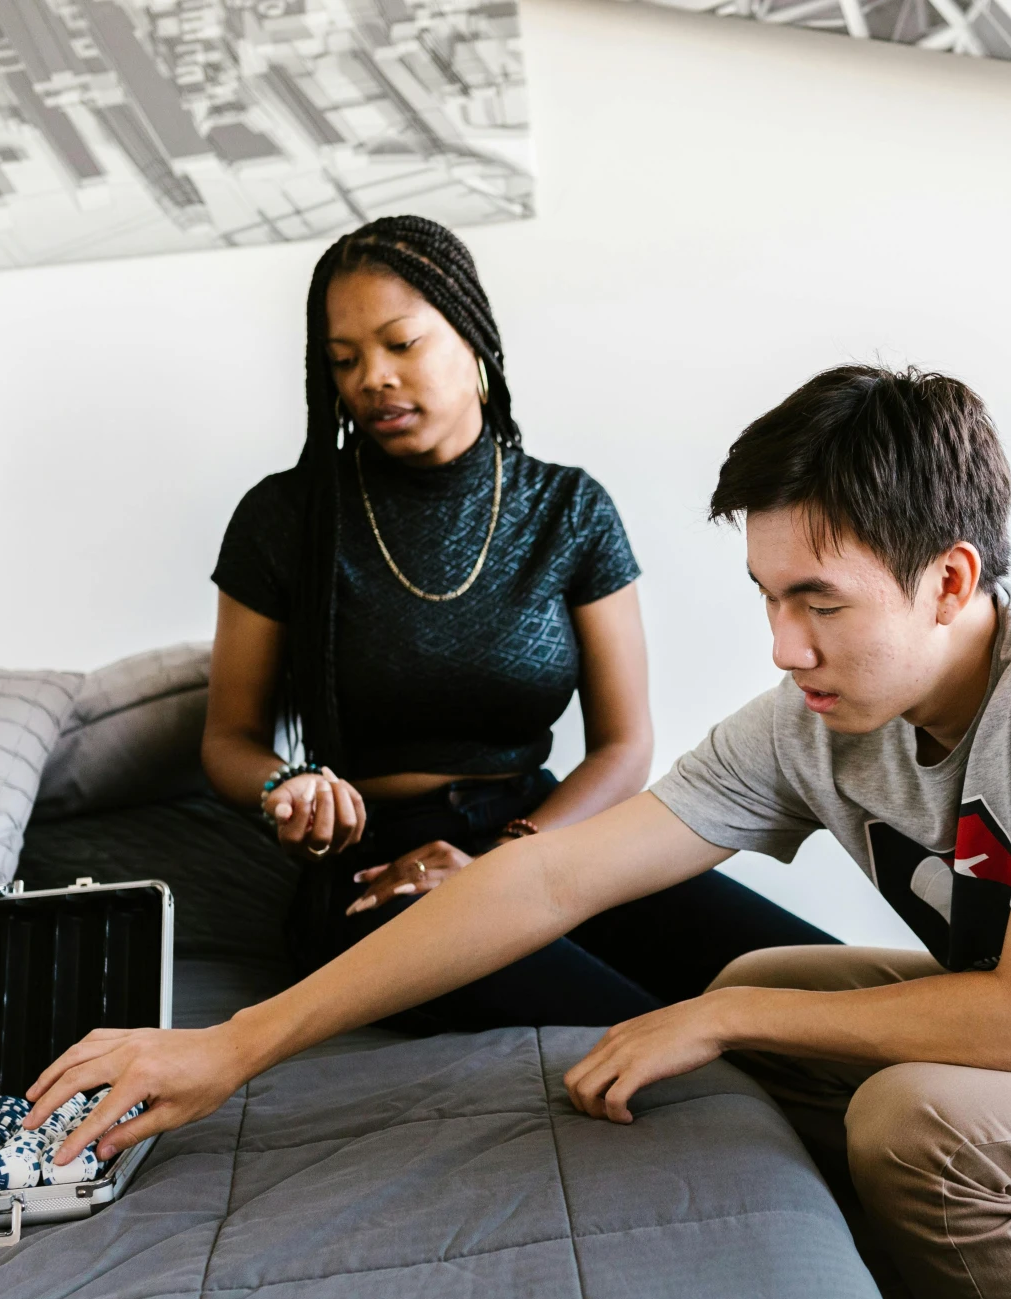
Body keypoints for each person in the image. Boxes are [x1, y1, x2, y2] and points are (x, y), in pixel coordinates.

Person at [33, 364, 1011, 1299]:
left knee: (893, 1101)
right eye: (767, 596)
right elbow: (544, 880)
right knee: (762, 970)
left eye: (819, 600)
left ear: (950, 578)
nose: (784, 644)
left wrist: (721, 1014)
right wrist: (230, 1045)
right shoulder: (819, 720)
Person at [201, 214, 832, 1028]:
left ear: (472, 339)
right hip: (376, 870)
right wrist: (288, 788)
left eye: (401, 344)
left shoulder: (567, 509)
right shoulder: (283, 518)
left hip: (544, 832)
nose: (373, 379)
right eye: (344, 361)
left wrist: (504, 857)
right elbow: (228, 740)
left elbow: (622, 746)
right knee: (644, 1030)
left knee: (788, 981)